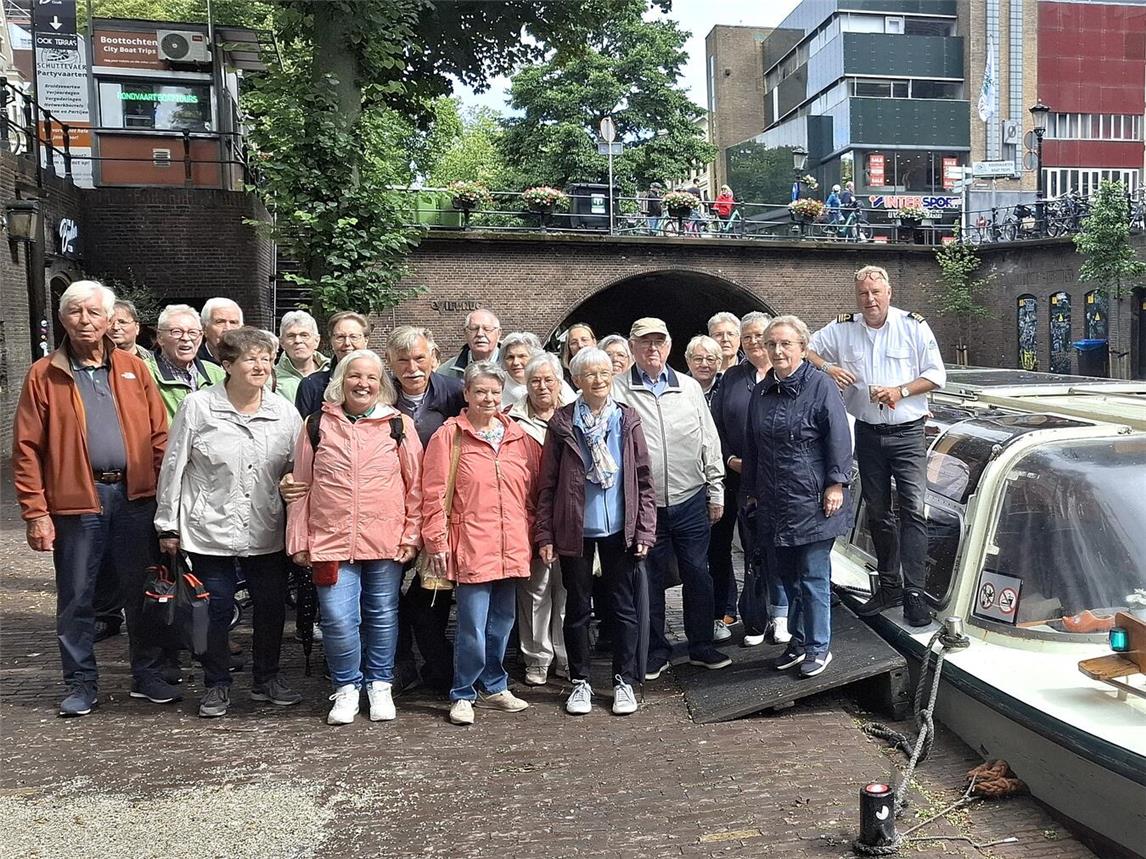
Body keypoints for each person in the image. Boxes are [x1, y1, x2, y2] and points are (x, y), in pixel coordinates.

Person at [12, 280, 174, 716]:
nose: (85, 321)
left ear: (108, 321)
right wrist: (35, 512)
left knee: (143, 593)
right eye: (75, 312)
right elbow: (26, 448)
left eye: (93, 313)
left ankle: (147, 674)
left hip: (134, 498)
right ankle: (81, 682)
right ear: (63, 318)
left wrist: (162, 496)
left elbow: (160, 436)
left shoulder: (134, 369)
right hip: (76, 502)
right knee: (77, 597)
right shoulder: (44, 374)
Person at [155, 327, 303, 718]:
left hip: (265, 526)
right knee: (214, 609)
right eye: (251, 358)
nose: (261, 365)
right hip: (209, 528)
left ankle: (266, 678)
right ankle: (216, 683)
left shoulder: (284, 411)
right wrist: (167, 524)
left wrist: (290, 482)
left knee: (271, 607)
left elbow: (295, 466)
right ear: (227, 364)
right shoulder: (199, 406)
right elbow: (174, 466)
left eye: (267, 358)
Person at [286, 350, 423, 725]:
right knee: (336, 618)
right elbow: (301, 484)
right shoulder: (317, 424)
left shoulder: (399, 426)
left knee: (382, 615)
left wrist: (412, 534)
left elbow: (416, 487)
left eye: (371, 378)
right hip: (330, 540)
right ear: (340, 380)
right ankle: (346, 687)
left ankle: (380, 684)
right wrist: (299, 539)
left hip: (386, 540)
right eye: (354, 376)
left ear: (381, 385)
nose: (363, 384)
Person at [807, 265, 947, 627]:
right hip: (867, 432)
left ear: (889, 293)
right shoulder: (843, 329)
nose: (870, 300)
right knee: (879, 512)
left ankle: (914, 593)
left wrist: (900, 391)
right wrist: (828, 369)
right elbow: (804, 347)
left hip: (907, 433)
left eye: (876, 293)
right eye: (863, 294)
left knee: (914, 510)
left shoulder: (912, 326)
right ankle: (888, 586)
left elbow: (936, 375)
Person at [537, 347, 656, 715]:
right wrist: (545, 535)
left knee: (622, 606)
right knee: (576, 607)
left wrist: (645, 531)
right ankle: (580, 681)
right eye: (589, 374)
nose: (599, 379)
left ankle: (624, 680)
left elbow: (643, 480)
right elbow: (548, 484)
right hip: (575, 529)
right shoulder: (561, 423)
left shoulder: (627, 419)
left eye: (604, 372)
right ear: (576, 381)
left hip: (620, 529)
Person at [421, 362, 541, 726]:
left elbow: (533, 492)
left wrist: (531, 530)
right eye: (480, 392)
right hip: (471, 541)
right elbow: (434, 492)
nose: (488, 398)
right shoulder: (450, 436)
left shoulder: (518, 436)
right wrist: (436, 541)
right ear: (467, 395)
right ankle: (463, 691)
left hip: (512, 542)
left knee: (502, 621)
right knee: (472, 623)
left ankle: (496, 682)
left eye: (494, 392)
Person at [612, 318, 729, 677]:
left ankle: (701, 644)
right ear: (632, 347)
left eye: (658, 342)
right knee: (650, 576)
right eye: (644, 342)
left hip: (690, 495)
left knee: (698, 572)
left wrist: (716, 488)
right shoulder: (619, 390)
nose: (652, 349)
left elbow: (708, 438)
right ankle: (656, 650)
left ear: (669, 346)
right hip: (647, 503)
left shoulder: (689, 388)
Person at [742, 315, 852, 678]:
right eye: (771, 344)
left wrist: (836, 483)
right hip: (775, 499)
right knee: (787, 577)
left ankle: (819, 647)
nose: (777, 350)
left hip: (814, 499)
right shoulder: (761, 390)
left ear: (803, 348)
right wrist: (753, 492)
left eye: (785, 344)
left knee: (813, 576)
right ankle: (799, 642)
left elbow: (838, 436)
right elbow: (753, 445)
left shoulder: (820, 386)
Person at [386, 325, 465, 693]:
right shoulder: (382, 394)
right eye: (403, 360)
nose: (412, 367)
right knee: (385, 596)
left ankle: (440, 666)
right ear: (391, 362)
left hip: (439, 510)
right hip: (391, 511)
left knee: (429, 596)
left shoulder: (454, 393)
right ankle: (403, 665)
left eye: (419, 358)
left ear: (434, 358)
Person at [709, 311, 789, 647]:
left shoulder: (787, 375)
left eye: (760, 336)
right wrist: (729, 458)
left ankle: (782, 615)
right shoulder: (731, 378)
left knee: (780, 547)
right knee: (752, 549)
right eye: (748, 337)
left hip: (782, 479)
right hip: (740, 478)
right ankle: (755, 617)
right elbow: (716, 427)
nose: (754, 342)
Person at [507, 352, 574, 686]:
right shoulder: (511, 420)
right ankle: (536, 657)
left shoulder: (576, 415)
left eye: (549, 379)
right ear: (525, 383)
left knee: (566, 589)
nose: (542, 386)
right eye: (535, 380)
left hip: (570, 515)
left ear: (559, 382)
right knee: (534, 590)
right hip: (528, 513)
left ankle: (566, 655)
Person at [145, 304, 226, 418]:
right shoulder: (144, 373)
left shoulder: (217, 374)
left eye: (193, 332)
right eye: (176, 332)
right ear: (160, 337)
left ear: (201, 336)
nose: (186, 338)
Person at [294, 311, 370, 418]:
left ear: (366, 340)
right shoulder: (312, 386)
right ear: (332, 341)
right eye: (340, 337)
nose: (347, 343)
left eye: (354, 337)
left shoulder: (382, 384)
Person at [275, 310, 329, 405]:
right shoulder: (270, 378)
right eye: (291, 336)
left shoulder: (333, 371)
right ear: (282, 342)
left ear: (317, 341)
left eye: (304, 335)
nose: (298, 341)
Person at [439, 309, 501, 378]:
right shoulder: (445, 373)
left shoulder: (512, 368)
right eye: (474, 328)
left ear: (498, 334)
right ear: (465, 333)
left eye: (487, 329)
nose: (480, 334)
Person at [498, 331, 543, 408]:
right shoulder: (498, 385)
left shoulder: (550, 381)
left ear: (534, 358)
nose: (515, 362)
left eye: (522, 356)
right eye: (510, 357)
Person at [197, 297, 243, 365]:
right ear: (204, 329)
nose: (228, 329)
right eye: (220, 322)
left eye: (233, 322)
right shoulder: (193, 362)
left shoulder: (249, 360)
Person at [685, 335, 723, 406]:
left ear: (719, 363)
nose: (704, 365)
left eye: (710, 359)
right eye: (698, 359)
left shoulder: (727, 389)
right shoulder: (679, 389)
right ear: (688, 361)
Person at [560, 323, 597, 387]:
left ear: (594, 342)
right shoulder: (563, 377)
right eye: (574, 342)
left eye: (584, 340)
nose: (580, 345)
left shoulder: (607, 368)